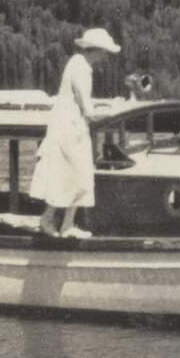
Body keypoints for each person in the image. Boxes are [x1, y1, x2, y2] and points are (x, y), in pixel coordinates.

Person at [29, 27, 120, 239]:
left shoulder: (77, 63)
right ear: (96, 50)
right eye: (104, 51)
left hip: (68, 124)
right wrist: (110, 113)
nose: (106, 56)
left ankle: (59, 222)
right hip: (70, 127)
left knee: (72, 174)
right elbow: (87, 109)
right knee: (76, 173)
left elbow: (80, 101)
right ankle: (57, 222)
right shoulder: (82, 69)